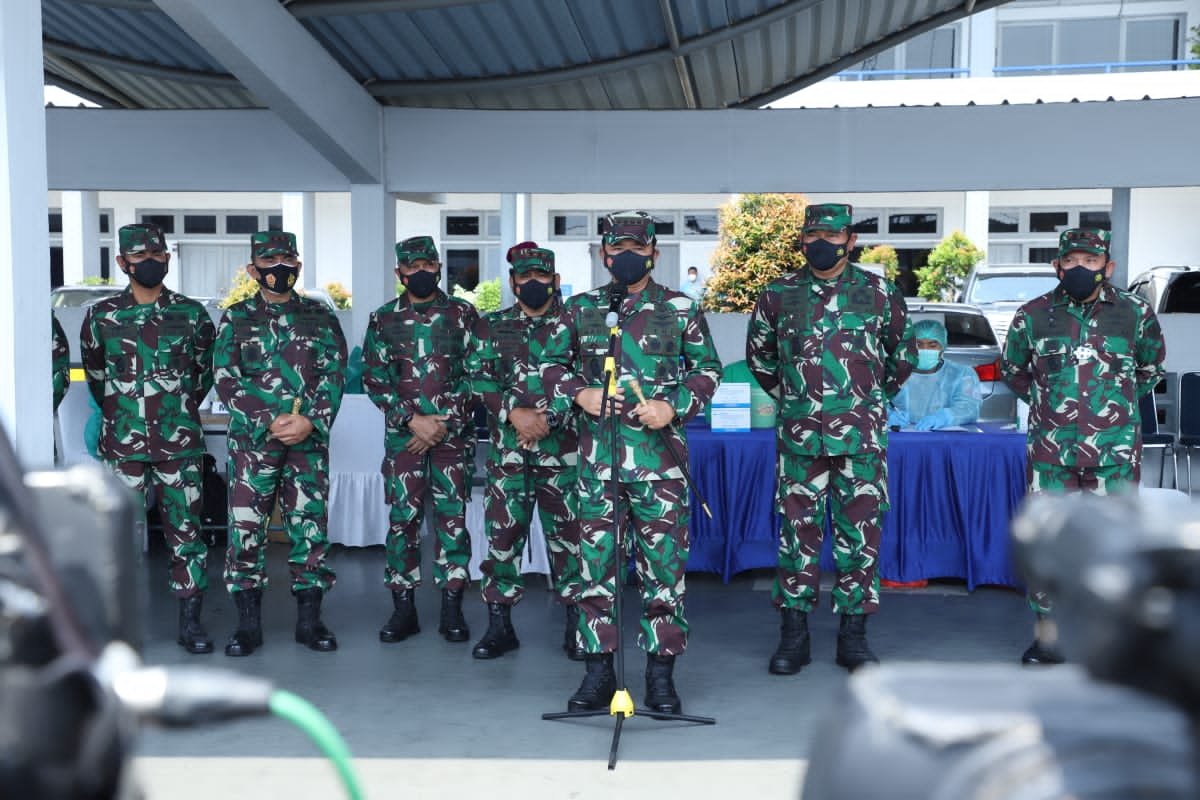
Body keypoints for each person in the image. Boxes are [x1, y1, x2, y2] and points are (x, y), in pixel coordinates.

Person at [540, 211, 722, 714]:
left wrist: (674, 405)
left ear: (653, 254)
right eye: (616, 248)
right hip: (598, 466)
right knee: (594, 572)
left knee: (664, 574)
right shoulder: (580, 310)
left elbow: (708, 370)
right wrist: (580, 392)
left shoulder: (681, 308)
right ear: (603, 254)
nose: (626, 256)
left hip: (659, 466)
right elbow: (549, 364)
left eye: (636, 249)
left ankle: (661, 676)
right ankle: (598, 674)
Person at [746, 202, 915, 675]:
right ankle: (793, 637)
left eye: (831, 236)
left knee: (859, 537)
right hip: (800, 439)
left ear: (850, 241)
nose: (820, 244)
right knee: (795, 538)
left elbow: (900, 355)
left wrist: (866, 401)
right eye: (812, 236)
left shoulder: (880, 292)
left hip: (861, 440)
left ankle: (854, 639)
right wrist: (795, 400)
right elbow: (760, 357)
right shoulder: (778, 294)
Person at [1001, 228, 1164, 665]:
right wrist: (1050, 406)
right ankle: (1049, 636)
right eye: (1070, 261)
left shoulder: (1135, 314)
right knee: (1049, 543)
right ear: (1057, 266)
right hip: (1052, 455)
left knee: (1115, 546)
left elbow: (1150, 370)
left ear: (1106, 267)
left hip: (1114, 456)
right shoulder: (1031, 315)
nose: (1079, 269)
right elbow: (1014, 371)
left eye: (1089, 263)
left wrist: (1113, 409)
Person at [80, 223, 217, 654]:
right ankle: (117, 628)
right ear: (122, 263)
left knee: (186, 534)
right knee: (115, 536)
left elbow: (203, 375)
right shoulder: (101, 316)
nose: (150, 263)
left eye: (157, 256)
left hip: (179, 444)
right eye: (139, 258)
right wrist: (126, 414)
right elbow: (97, 376)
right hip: (124, 444)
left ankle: (190, 623)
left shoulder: (192, 315)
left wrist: (173, 407)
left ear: (167, 259)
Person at [213, 231, 346, 656]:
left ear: (298, 266)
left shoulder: (320, 318)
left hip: (307, 444)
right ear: (253, 271)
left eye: (286, 260)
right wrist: (270, 417)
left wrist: (310, 420)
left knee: (309, 529)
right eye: (268, 263)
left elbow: (333, 376)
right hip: (254, 446)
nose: (279, 269)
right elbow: (226, 379)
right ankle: (247, 625)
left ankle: (311, 621)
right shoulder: (235, 319)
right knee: (246, 532)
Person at [465, 243, 584, 661]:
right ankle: (499, 626)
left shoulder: (576, 324)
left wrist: (546, 419)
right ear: (513, 280)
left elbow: (587, 380)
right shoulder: (490, 326)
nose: (533, 283)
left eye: (541, 276)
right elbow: (477, 377)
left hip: (563, 454)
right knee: (502, 538)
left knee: (571, 539)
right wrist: (512, 413)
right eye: (525, 276)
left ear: (554, 278)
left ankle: (578, 626)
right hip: (508, 455)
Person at [362, 235, 479, 645]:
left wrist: (441, 424)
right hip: (403, 440)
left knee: (453, 522)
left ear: (439, 268)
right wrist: (411, 420)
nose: (422, 274)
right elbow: (374, 377)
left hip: (451, 438)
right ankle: (403, 610)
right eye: (413, 268)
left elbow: (478, 374)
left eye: (429, 266)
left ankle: (452, 609)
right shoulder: (383, 319)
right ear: (400, 273)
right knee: (402, 522)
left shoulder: (464, 314)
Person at [888, 319, 981, 430]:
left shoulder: (961, 373)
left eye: (932, 345)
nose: (924, 349)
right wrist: (887, 415)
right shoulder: (893, 373)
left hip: (944, 440)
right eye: (918, 344)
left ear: (942, 347)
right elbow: (873, 402)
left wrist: (945, 417)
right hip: (900, 438)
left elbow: (969, 408)